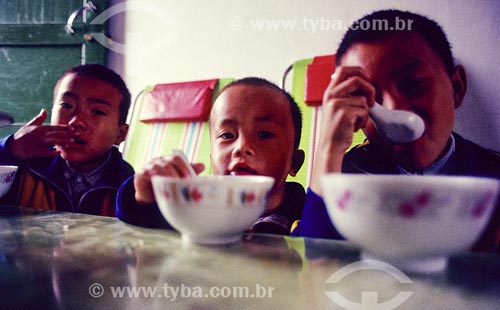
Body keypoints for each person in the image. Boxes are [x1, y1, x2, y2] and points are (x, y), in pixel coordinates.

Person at [291, 9, 500, 253]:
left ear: (456, 88)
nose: (395, 109)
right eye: (369, 96)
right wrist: (330, 147)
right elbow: (311, 262)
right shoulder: (340, 179)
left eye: (414, 84)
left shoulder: (493, 174)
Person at [117, 77, 306, 234]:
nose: (241, 147)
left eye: (264, 134)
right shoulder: (190, 207)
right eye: (227, 135)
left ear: (294, 162)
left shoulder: (312, 218)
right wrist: (145, 198)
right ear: (211, 156)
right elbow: (144, 238)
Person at [0, 64, 134, 216]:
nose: (76, 121)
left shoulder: (128, 184)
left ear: (120, 134)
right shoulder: (24, 167)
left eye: (97, 111)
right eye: (67, 105)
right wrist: (9, 149)